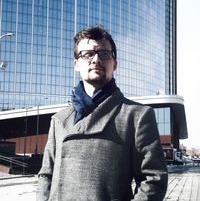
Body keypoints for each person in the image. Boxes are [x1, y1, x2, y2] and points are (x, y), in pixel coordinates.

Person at [37, 25, 168, 201]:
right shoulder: (59, 119)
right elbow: (46, 175)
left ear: (114, 64)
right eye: (87, 54)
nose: (96, 59)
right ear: (76, 64)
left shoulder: (137, 116)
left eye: (104, 54)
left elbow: (153, 179)